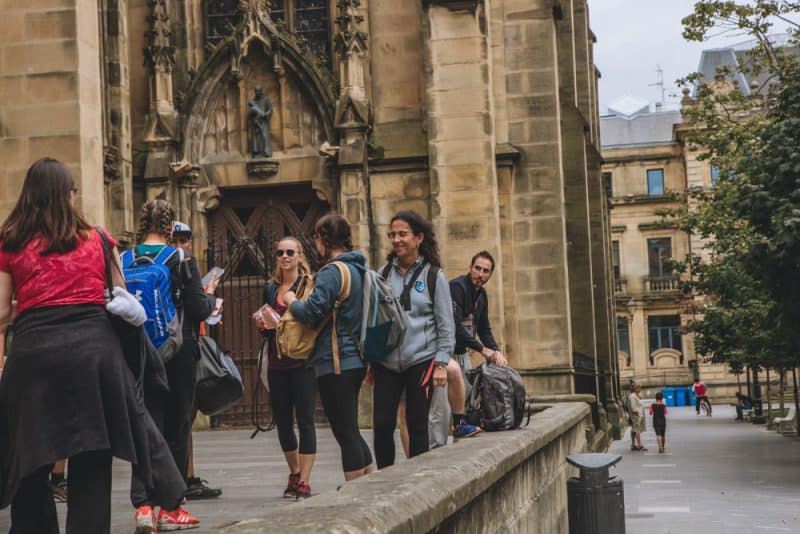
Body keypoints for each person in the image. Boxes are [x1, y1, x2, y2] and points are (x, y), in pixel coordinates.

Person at [0, 157, 177, 533]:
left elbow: (1, 311)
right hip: (93, 357)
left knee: (31, 456)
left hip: (34, 357)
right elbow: (120, 296)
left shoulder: (11, 241)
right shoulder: (97, 238)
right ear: (69, 195)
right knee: (92, 454)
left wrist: (32, 303)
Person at [129, 201, 216, 532]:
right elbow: (197, 309)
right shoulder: (180, 258)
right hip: (177, 354)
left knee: (146, 428)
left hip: (140, 354)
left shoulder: (124, 259)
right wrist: (209, 295)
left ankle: (144, 507)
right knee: (176, 429)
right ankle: (170, 507)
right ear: (169, 228)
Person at [284, 214, 373, 482]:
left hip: (336, 361)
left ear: (324, 238)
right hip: (355, 359)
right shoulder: (359, 269)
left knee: (344, 431)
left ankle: (356, 493)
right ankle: (370, 482)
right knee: (351, 429)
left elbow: (311, 313)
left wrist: (290, 300)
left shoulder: (332, 272)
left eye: (316, 237)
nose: (315, 243)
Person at [372, 210, 453, 469]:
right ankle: (385, 477)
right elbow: (374, 320)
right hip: (387, 362)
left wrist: (441, 363)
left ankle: (416, 478)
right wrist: (371, 360)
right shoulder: (382, 275)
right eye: (393, 235)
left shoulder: (434, 276)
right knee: (382, 424)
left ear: (418, 238)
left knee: (418, 423)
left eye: (402, 234)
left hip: (421, 359)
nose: (396, 240)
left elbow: (445, 325)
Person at [256, 236, 318, 499]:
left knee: (305, 421)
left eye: (290, 252)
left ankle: (304, 480)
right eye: (280, 252)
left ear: (300, 256)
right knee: (282, 422)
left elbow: (314, 318)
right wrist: (264, 325)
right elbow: (268, 330)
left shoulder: (309, 286)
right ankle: (294, 471)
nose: (285, 256)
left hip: (303, 362)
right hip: (277, 362)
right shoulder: (271, 288)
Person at [430, 251, 507, 447]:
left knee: (464, 401)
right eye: (477, 268)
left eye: (485, 271)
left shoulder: (481, 295)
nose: (480, 274)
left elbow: (484, 329)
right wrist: (482, 349)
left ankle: (458, 444)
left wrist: (496, 352)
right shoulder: (457, 287)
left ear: (490, 275)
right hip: (445, 354)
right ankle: (435, 449)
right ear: (470, 268)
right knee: (441, 408)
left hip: (463, 354)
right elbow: (453, 327)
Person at [171, 221, 223, 501]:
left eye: (185, 238)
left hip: (179, 346)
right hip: (181, 349)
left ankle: (188, 476)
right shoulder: (185, 265)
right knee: (181, 417)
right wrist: (210, 293)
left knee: (186, 417)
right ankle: (179, 481)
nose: (182, 243)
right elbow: (199, 309)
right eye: (176, 238)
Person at [628, 384, 647, 451]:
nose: (639, 389)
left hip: (635, 415)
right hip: (636, 416)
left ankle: (633, 445)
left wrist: (637, 395)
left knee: (634, 430)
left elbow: (641, 398)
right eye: (638, 388)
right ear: (634, 389)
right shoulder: (632, 396)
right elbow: (633, 408)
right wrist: (638, 413)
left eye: (640, 388)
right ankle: (639, 445)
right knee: (637, 430)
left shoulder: (634, 395)